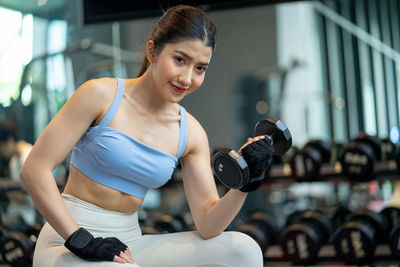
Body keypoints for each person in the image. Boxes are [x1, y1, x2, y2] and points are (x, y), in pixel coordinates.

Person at [20, 5, 269, 267]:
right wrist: (81, 239)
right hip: (67, 241)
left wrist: (246, 181)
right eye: (180, 60)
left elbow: (208, 224)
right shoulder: (100, 95)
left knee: (245, 250)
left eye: (200, 68)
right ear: (152, 51)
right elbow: (34, 170)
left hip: (128, 244)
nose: (187, 78)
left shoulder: (191, 132)